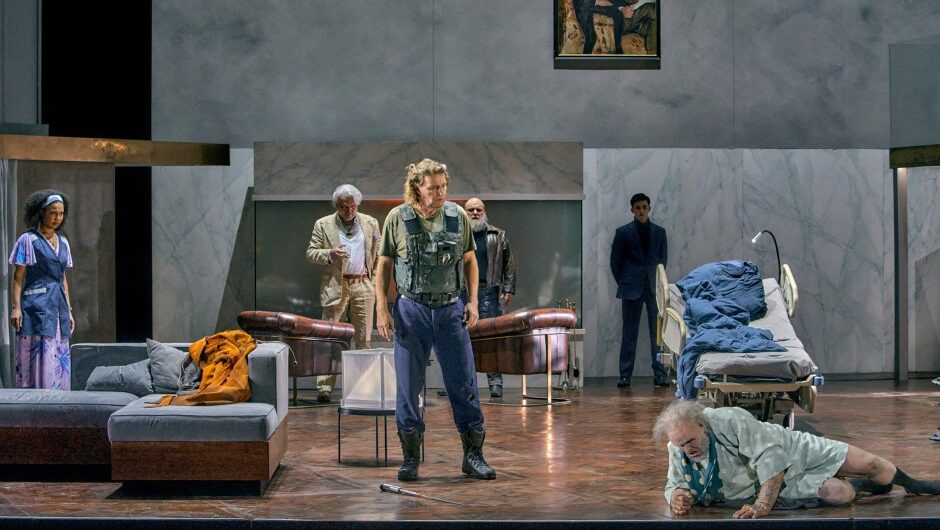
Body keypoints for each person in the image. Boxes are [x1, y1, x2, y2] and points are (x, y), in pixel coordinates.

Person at [375, 158, 496, 482]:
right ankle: (410, 459)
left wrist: (473, 302)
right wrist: (382, 308)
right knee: (408, 387)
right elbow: (384, 264)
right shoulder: (397, 218)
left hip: (450, 310)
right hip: (411, 311)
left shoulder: (457, 216)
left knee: (464, 383)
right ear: (417, 188)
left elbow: (470, 261)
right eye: (433, 188)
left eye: (444, 186)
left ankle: (473, 456)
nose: (441, 193)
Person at [654, 400, 940, 519]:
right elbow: (673, 484)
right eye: (680, 445)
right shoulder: (677, 447)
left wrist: (762, 506)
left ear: (701, 425)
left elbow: (771, 456)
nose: (687, 449)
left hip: (790, 450)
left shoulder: (729, 420)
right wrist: (677, 495)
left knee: (872, 465)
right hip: (767, 483)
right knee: (840, 494)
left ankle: (914, 484)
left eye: (690, 441)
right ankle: (862, 486)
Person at [306, 184, 381, 403]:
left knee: (364, 338)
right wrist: (330, 253)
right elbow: (311, 253)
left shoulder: (370, 223)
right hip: (335, 285)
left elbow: (378, 256)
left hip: (363, 284)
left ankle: (364, 386)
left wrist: (373, 282)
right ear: (336, 206)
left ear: (358, 204)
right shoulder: (323, 224)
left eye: (352, 206)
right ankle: (324, 387)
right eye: (343, 206)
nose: (348, 210)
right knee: (329, 338)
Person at [8, 190, 75, 389]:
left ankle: (59, 400)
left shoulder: (63, 242)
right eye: (53, 213)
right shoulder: (28, 240)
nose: (57, 218)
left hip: (58, 306)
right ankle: (35, 399)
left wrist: (69, 310)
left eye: (61, 214)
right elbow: (18, 278)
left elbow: (62, 278)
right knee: (37, 351)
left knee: (58, 353)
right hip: (35, 305)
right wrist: (16, 307)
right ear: (41, 212)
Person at [610, 192, 668, 388]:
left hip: (653, 288)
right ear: (632, 210)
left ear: (649, 208)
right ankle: (625, 375)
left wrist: (657, 283)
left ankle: (660, 374)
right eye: (638, 208)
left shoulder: (659, 232)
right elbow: (615, 262)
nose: (641, 211)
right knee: (629, 332)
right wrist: (625, 281)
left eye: (644, 207)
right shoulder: (623, 233)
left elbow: (662, 262)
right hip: (631, 287)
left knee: (657, 333)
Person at [463, 197, 515, 398]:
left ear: (484, 212)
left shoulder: (498, 235)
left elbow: (509, 264)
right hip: (462, 292)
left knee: (491, 339)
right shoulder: (458, 235)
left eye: (479, 209)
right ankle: (462, 383)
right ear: (465, 212)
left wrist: (508, 289)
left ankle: (495, 382)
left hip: (489, 291)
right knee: (461, 339)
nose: (475, 213)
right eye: (471, 210)